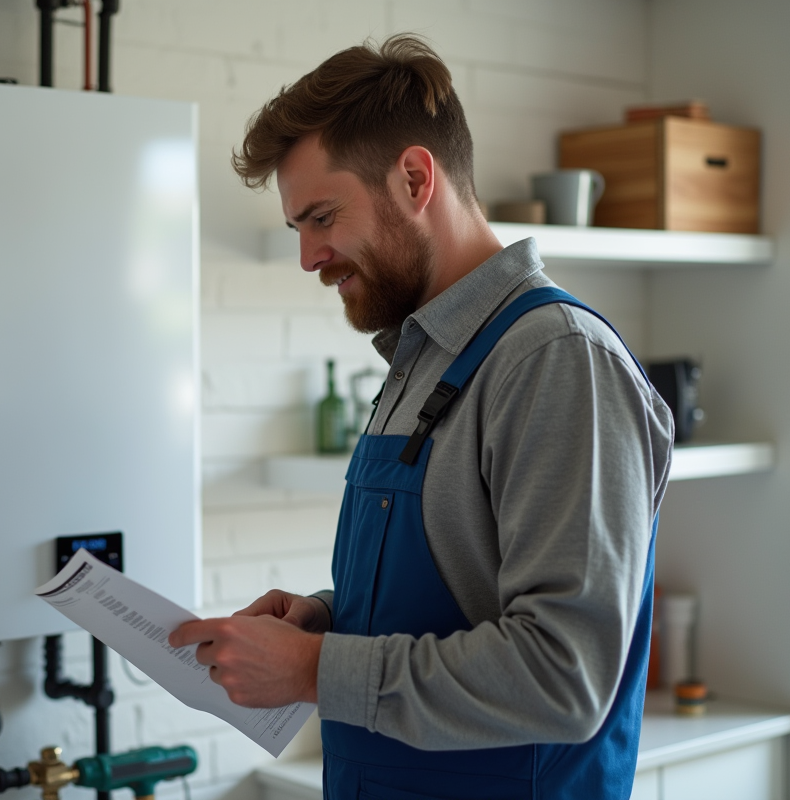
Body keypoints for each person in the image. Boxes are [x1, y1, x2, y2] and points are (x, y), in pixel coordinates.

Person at [169, 34, 673, 800]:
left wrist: (313, 670)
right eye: (296, 229)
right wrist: (328, 620)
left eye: (322, 217)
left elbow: (565, 673)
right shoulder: (423, 358)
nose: (309, 257)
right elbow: (465, 593)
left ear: (413, 178)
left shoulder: (555, 360)